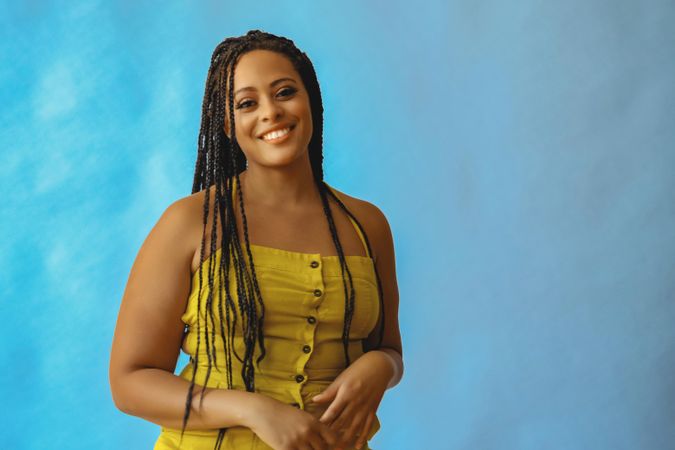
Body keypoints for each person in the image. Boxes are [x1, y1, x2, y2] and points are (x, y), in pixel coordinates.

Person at [109, 30, 404, 450]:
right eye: (247, 103)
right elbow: (129, 382)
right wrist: (253, 409)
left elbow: (390, 347)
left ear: (310, 101)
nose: (271, 112)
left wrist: (381, 365)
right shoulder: (191, 223)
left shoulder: (366, 224)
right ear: (228, 124)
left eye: (285, 92)